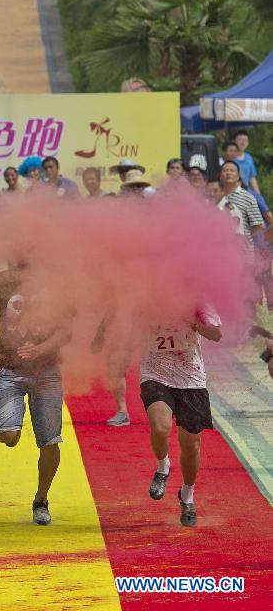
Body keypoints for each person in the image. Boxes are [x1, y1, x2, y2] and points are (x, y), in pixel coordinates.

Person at [0, 264, 70, 525]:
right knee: (7, 435)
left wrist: (42, 350)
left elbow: (66, 329)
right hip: (8, 368)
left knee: (50, 441)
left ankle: (41, 499)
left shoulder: (58, 281)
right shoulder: (2, 281)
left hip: (46, 371)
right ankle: (16, 423)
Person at [141, 307, 222, 527]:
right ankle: (162, 466)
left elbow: (216, 334)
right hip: (155, 373)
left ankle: (187, 496)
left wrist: (194, 323)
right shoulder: (146, 294)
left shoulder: (196, 298)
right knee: (160, 427)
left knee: (191, 445)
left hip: (191, 378)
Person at [219, 160, 264, 253]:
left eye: (232, 170)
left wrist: (245, 236)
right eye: (225, 170)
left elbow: (259, 225)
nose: (228, 173)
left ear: (238, 176)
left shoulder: (248, 198)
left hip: (243, 253)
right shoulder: (215, 195)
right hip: (219, 251)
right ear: (220, 175)